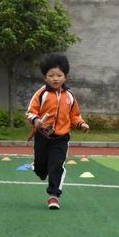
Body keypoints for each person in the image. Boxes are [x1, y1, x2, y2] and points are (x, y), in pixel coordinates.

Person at [25, 53, 89, 210]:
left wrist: (81, 124)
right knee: (40, 167)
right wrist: (36, 120)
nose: (55, 79)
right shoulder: (41, 94)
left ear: (65, 76)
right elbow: (30, 112)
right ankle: (40, 170)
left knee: (56, 165)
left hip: (61, 138)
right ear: (45, 77)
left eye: (59, 75)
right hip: (42, 136)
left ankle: (54, 196)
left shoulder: (70, 96)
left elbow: (74, 115)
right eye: (51, 75)